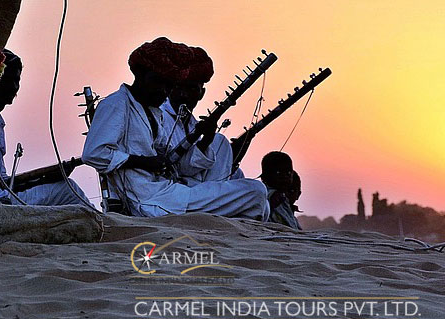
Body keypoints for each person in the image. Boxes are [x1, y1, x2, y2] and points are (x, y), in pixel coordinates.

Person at [82, 37, 269, 219]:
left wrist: (206, 140)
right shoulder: (117, 104)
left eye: (168, 85)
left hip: (170, 193)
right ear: (140, 75)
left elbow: (177, 164)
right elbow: (94, 153)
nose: (164, 91)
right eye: (158, 82)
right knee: (256, 192)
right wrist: (143, 162)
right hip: (150, 200)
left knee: (252, 190)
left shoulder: (154, 112)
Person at [0, 50, 89, 205]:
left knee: (65, 186)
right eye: (10, 80)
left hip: (0, 196)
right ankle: (108, 227)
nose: (15, 87)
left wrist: (42, 179)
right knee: (68, 191)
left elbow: (0, 180)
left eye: (18, 81)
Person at [159, 45, 246, 184]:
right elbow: (174, 168)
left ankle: (214, 199)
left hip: (198, 192)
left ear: (201, 93)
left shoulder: (193, 124)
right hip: (171, 192)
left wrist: (207, 140)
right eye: (178, 87)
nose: (184, 94)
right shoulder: (158, 118)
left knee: (220, 142)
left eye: (192, 88)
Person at [260, 151, 301, 229]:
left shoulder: (282, 196)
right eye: (279, 173)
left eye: (288, 173)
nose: (285, 176)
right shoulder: (273, 195)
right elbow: (287, 225)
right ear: (264, 177)